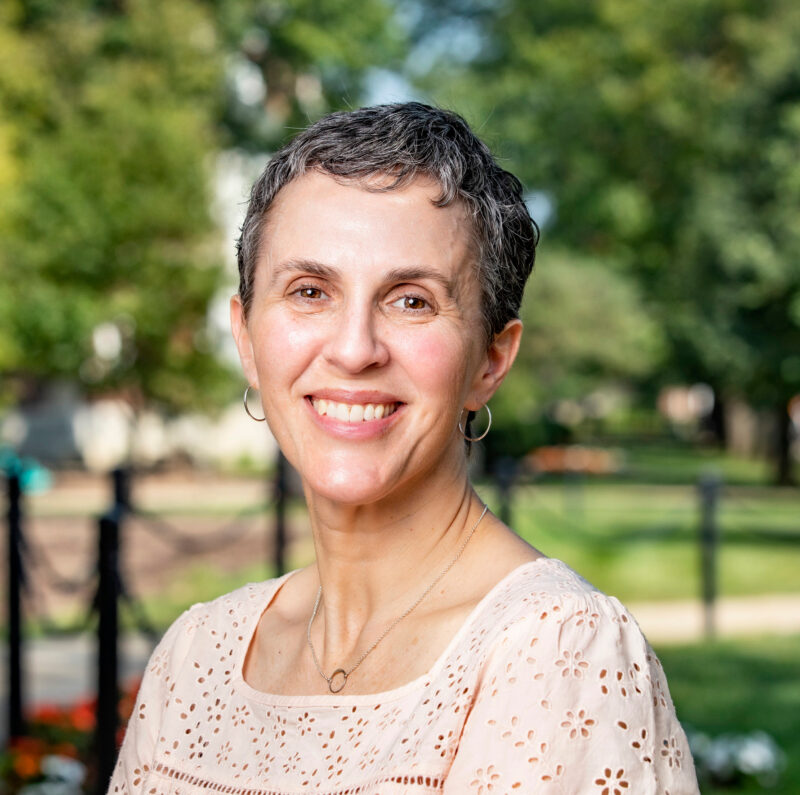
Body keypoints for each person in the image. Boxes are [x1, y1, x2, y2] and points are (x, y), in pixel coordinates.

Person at [108, 102, 699, 794]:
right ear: (246, 340)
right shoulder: (195, 656)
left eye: (411, 300)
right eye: (309, 291)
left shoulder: (555, 652)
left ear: (490, 359)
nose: (355, 349)